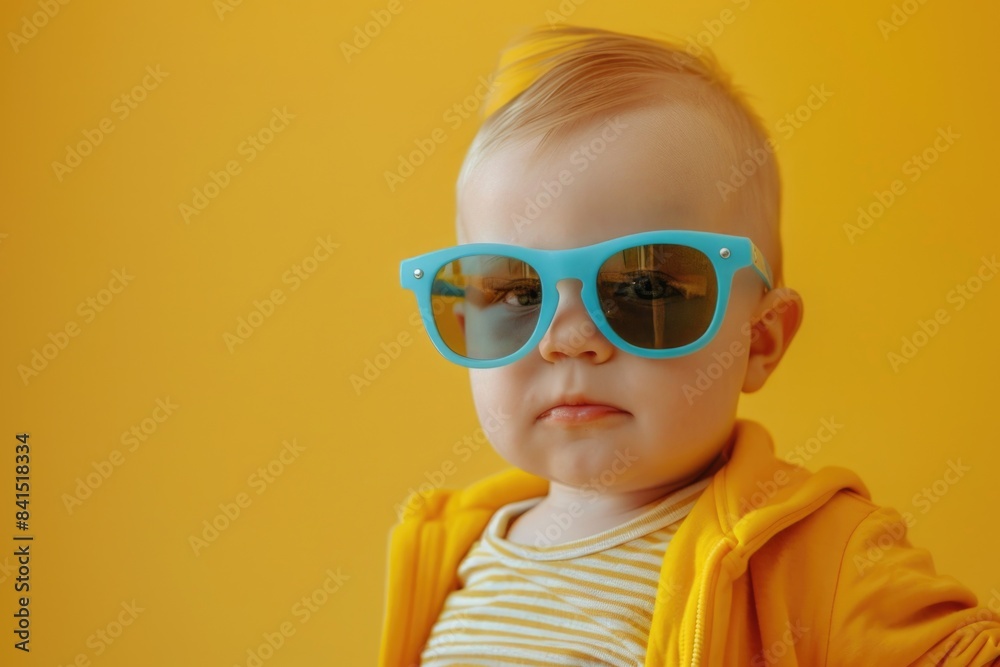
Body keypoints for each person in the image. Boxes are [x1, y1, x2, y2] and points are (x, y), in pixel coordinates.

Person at [378, 24, 1000, 666]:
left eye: (644, 287)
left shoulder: (817, 560)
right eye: (516, 294)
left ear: (760, 339)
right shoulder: (455, 550)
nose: (569, 339)